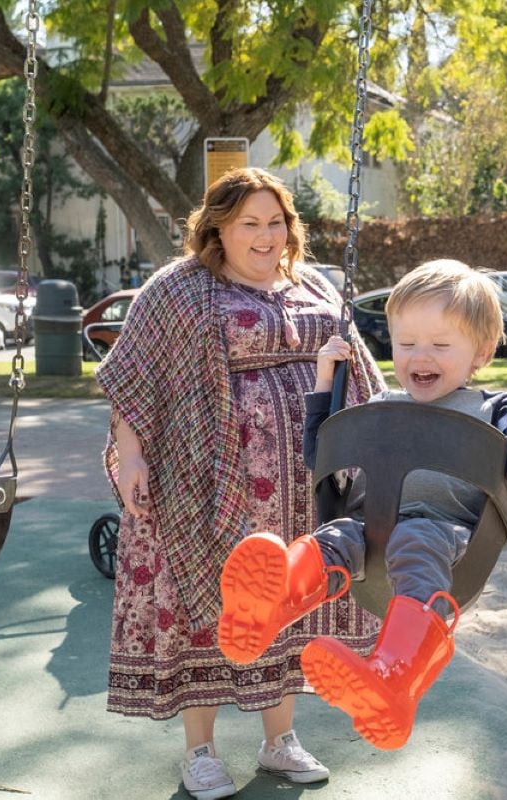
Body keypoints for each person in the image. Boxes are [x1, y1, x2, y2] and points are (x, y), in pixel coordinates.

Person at [95, 167, 385, 800]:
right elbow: (132, 377)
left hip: (300, 491)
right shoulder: (179, 289)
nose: (265, 235)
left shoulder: (311, 283)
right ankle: (199, 753)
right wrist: (132, 456)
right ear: (217, 229)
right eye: (249, 223)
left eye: (275, 221)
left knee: (283, 601)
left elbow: (361, 373)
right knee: (209, 609)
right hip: (202, 488)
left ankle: (278, 742)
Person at [217, 259, 507, 750]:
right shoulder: (384, 402)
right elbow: (320, 454)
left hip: (448, 540)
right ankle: (272, 604)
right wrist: (325, 382)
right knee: (331, 539)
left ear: (482, 352)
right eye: (406, 344)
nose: (421, 356)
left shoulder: (495, 409)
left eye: (441, 345)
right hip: (368, 525)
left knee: (415, 538)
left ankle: (393, 676)